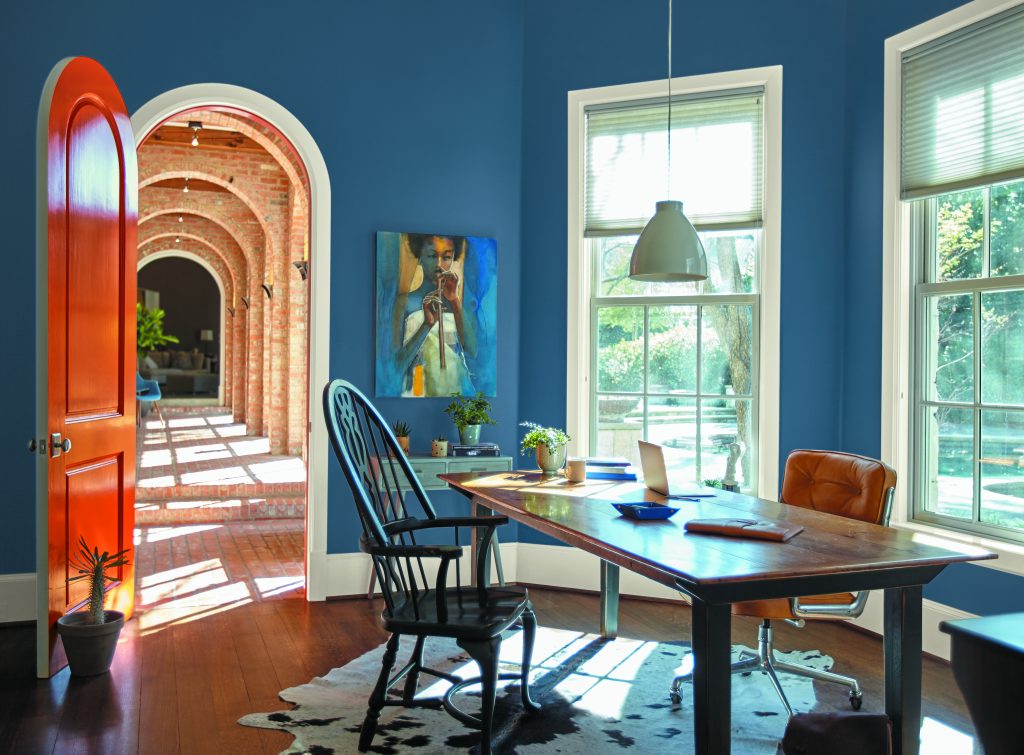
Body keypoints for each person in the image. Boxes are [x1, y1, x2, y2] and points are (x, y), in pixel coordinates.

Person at [391, 234, 479, 396]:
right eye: (432, 256)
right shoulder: (405, 302)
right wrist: (427, 325)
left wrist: (454, 300)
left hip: (456, 393)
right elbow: (397, 364)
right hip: (418, 389)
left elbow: (472, 351)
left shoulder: (456, 304)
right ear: (420, 258)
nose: (439, 264)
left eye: (446, 257)